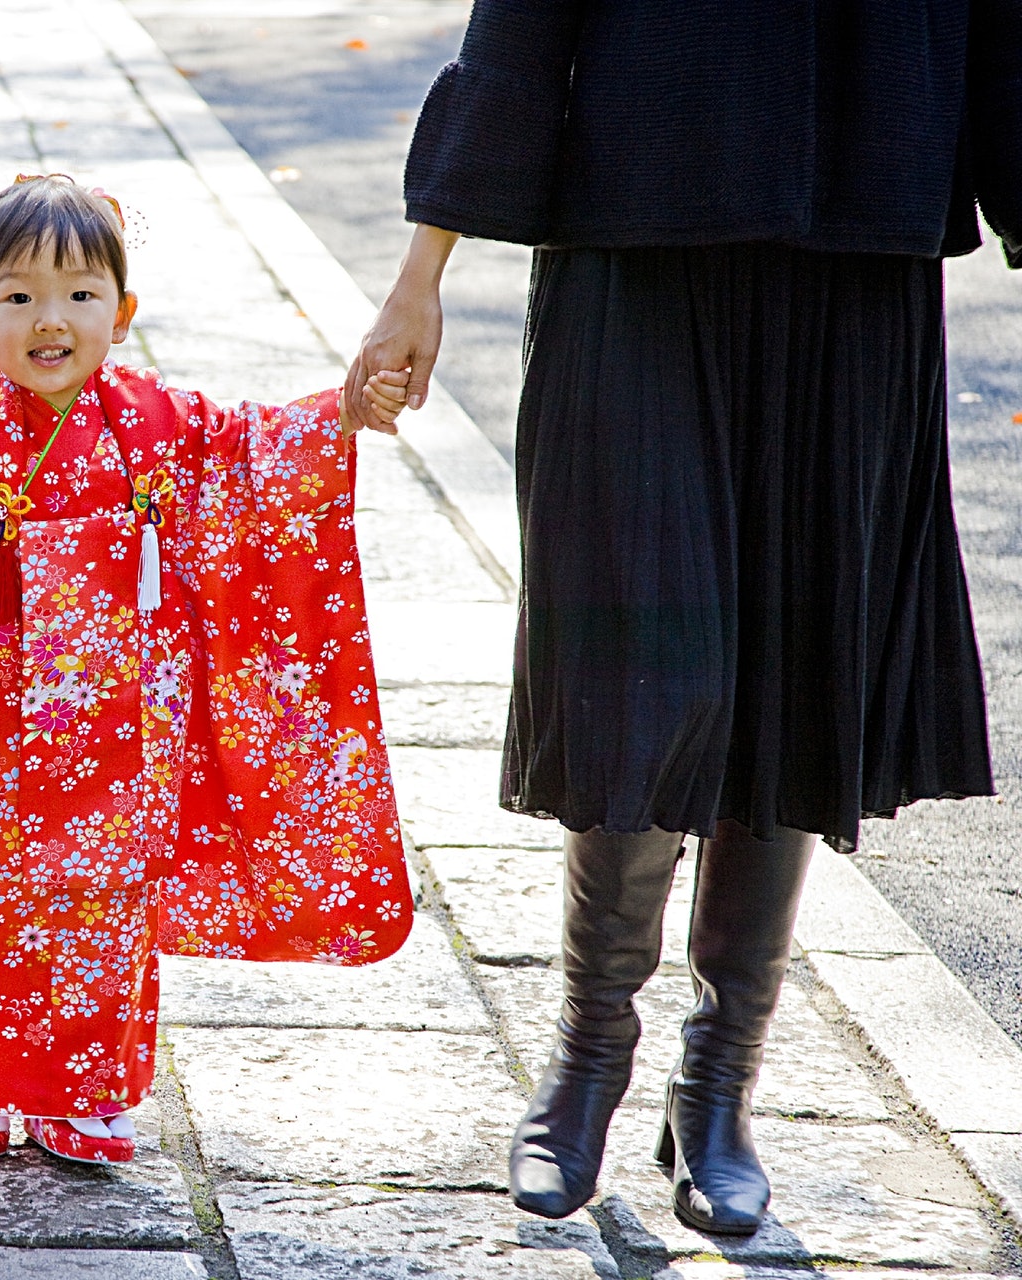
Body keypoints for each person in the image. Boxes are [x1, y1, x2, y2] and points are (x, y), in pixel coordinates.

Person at [344, 0, 1021, 1237]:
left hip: (857, 259)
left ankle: (719, 1082)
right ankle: (591, 1048)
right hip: (633, 246)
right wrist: (420, 274)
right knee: (639, 668)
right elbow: (519, 25)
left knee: (794, 673)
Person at [0, 175, 414, 1163]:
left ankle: (88, 1086)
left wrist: (345, 413)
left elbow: (257, 455)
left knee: (106, 902)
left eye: (80, 294)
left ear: (122, 311)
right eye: (17, 297)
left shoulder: (158, 421)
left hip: (123, 725)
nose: (50, 319)